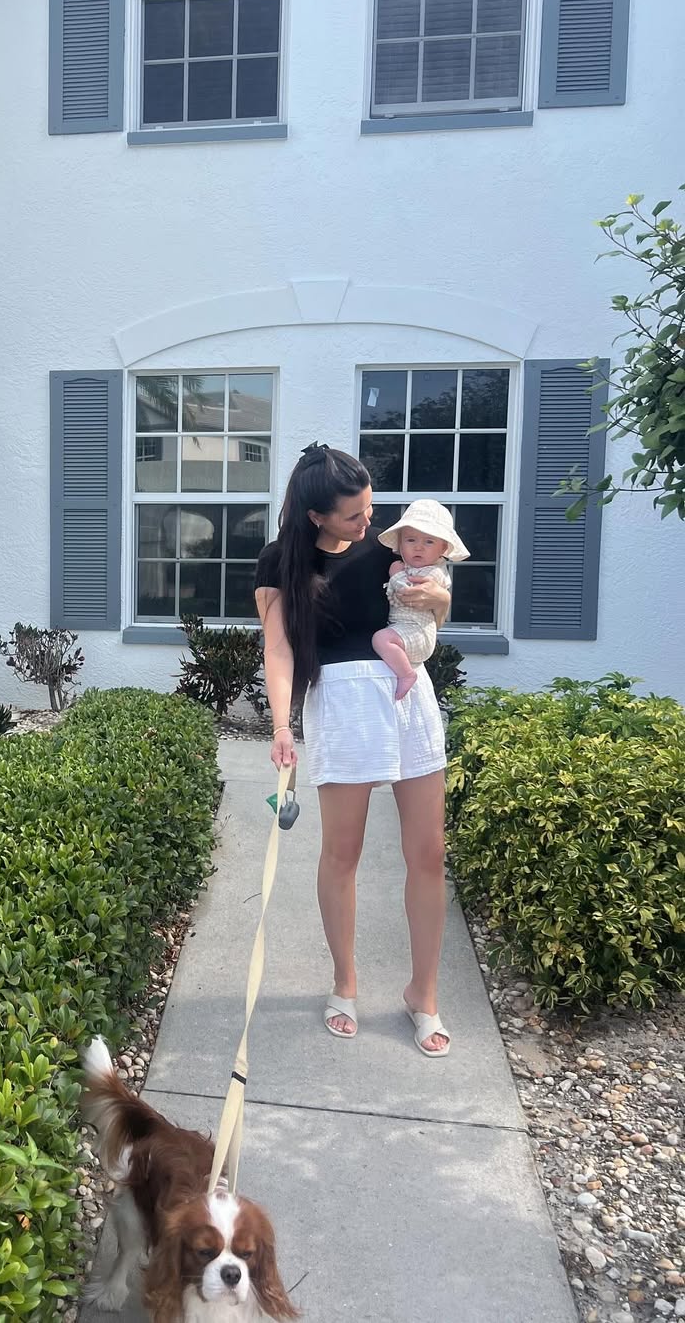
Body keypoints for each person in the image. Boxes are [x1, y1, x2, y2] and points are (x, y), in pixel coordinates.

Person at [254, 444, 453, 1056]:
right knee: (342, 854)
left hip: (407, 698)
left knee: (429, 853)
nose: (369, 522)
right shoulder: (280, 561)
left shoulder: (387, 547)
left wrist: (440, 602)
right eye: (353, 515)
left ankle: (423, 993)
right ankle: (345, 981)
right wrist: (282, 727)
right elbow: (279, 649)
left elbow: (427, 612)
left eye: (370, 508)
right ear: (316, 515)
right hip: (342, 704)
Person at [371, 499, 470, 702]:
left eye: (429, 542)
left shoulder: (433, 573)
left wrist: (395, 575)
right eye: (411, 540)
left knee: (381, 639)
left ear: (443, 548)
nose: (418, 547)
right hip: (404, 628)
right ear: (400, 544)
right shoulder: (410, 568)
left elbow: (409, 592)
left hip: (418, 631)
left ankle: (406, 675)